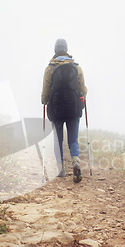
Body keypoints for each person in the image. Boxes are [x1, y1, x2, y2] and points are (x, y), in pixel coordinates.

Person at [41, 39, 87, 183]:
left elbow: (45, 91)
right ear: (66, 50)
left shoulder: (50, 68)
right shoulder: (76, 67)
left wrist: (44, 100)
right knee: (73, 140)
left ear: (55, 50)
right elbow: (83, 90)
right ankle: (76, 161)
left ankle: (60, 168)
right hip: (73, 109)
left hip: (56, 110)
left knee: (58, 140)